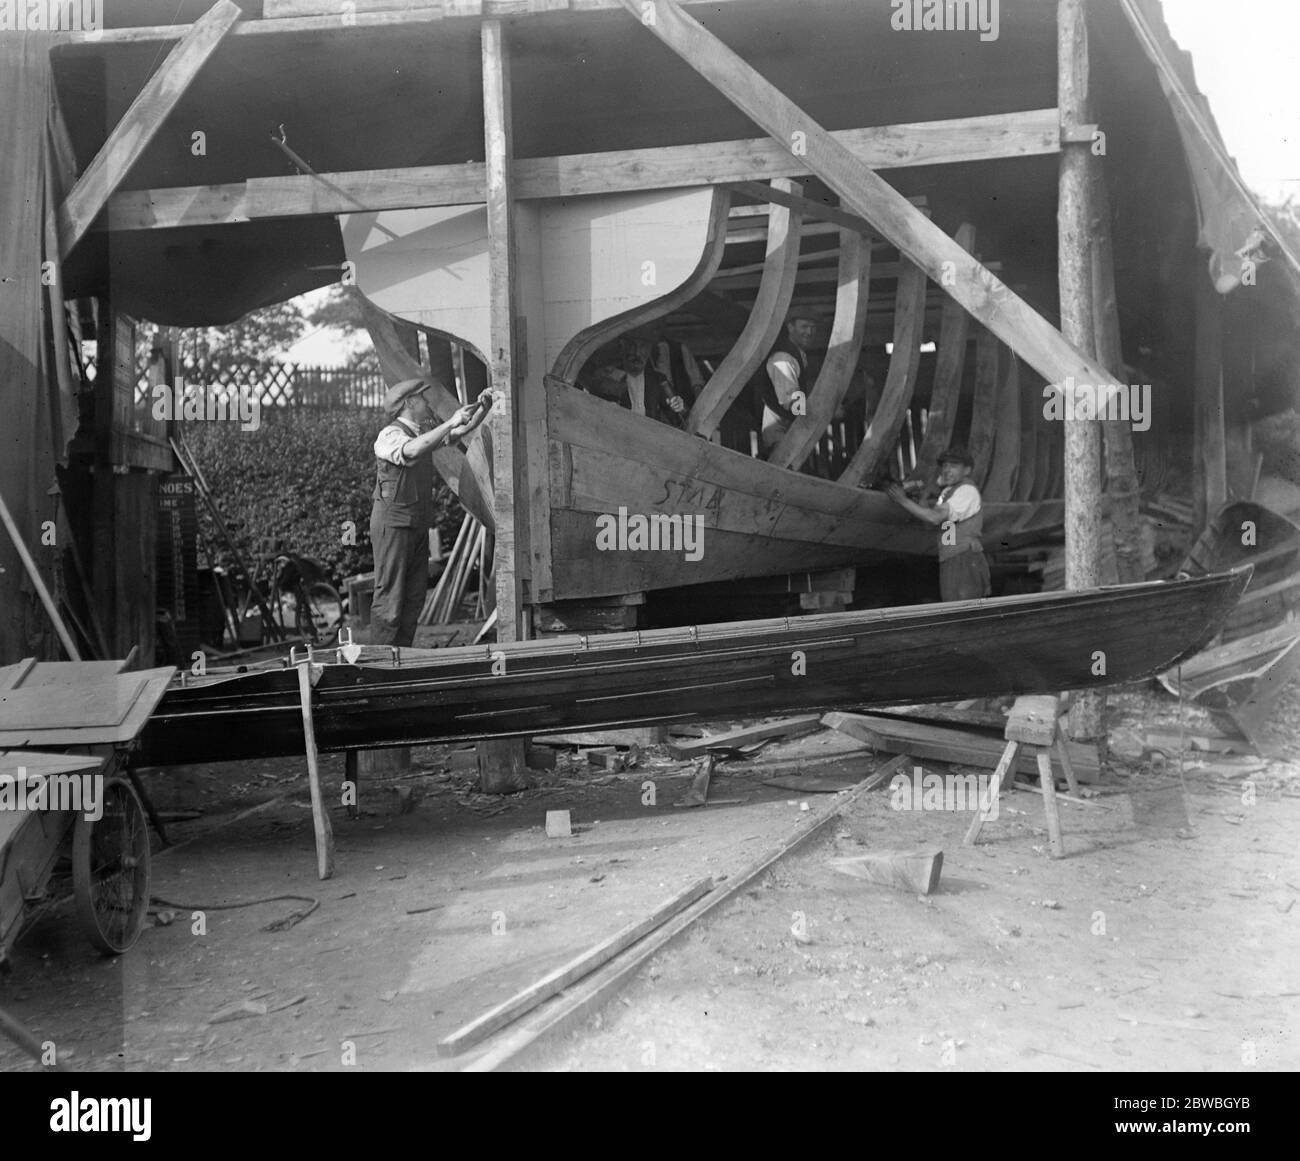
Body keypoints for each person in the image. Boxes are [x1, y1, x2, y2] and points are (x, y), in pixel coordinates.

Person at [370, 379, 493, 647]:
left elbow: (452, 435)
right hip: (393, 525)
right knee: (390, 595)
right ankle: (379, 661)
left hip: (415, 524)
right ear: (409, 403)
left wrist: (482, 409)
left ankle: (401, 656)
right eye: (422, 398)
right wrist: (450, 422)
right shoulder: (390, 435)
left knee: (413, 597)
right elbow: (413, 450)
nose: (427, 403)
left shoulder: (420, 432)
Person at [884, 446, 991, 602]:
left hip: (964, 558)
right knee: (954, 607)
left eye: (953, 466)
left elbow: (933, 518)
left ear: (967, 470)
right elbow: (933, 524)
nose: (947, 470)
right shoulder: (948, 492)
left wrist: (903, 500)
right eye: (945, 466)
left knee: (965, 610)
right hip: (950, 557)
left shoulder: (966, 490)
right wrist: (923, 502)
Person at [589, 335, 689, 426]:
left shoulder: (658, 379)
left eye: (643, 347)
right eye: (632, 345)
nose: (637, 353)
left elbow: (679, 416)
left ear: (649, 350)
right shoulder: (607, 376)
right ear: (622, 346)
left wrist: (679, 406)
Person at [759, 309, 818, 452]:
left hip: (790, 433)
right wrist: (814, 416)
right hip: (780, 436)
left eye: (812, 328)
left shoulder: (799, 355)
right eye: (804, 326)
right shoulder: (783, 358)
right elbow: (791, 400)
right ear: (790, 327)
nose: (809, 332)